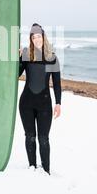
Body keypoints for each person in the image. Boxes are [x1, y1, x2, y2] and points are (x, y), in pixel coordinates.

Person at [18, 23, 62, 175]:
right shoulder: (26, 54)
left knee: (43, 138)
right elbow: (15, 74)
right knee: (30, 136)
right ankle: (32, 167)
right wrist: (17, 59)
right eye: (33, 37)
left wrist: (58, 103)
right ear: (31, 39)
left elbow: (57, 83)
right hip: (26, 103)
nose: (36, 39)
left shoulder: (51, 57)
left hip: (44, 104)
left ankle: (46, 171)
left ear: (43, 37)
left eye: (38, 36)